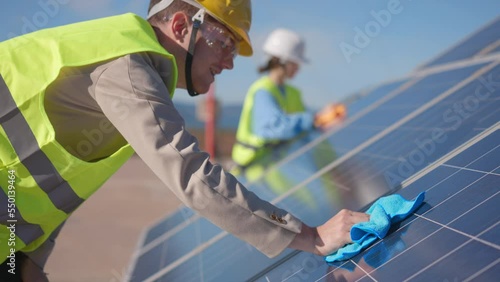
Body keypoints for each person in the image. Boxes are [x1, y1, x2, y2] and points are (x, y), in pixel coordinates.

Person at [0, 0, 368, 280]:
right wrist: (311, 237)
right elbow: (191, 174)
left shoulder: (120, 64)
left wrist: (26, 260)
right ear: (179, 24)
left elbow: (47, 183)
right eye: (226, 43)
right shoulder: (124, 66)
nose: (230, 63)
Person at [232, 28, 347, 170]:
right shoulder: (263, 91)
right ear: (281, 61)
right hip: (253, 166)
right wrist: (312, 120)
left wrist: (323, 118)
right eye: (295, 63)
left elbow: (307, 122)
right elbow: (270, 127)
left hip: (274, 162)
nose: (298, 69)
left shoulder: (292, 93)